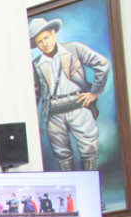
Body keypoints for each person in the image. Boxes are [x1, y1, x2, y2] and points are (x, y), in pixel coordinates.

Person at [30, 17, 110, 172]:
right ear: (36, 45)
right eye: (39, 41)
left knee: (89, 149)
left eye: (46, 37)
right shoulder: (36, 64)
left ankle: (89, 186)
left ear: (53, 33)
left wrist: (94, 92)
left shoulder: (74, 49)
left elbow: (102, 64)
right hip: (53, 113)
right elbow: (34, 93)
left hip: (78, 105)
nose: (44, 43)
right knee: (62, 154)